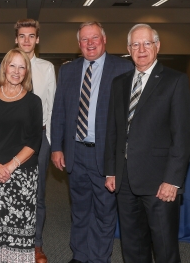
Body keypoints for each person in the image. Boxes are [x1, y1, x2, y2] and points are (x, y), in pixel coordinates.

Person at [104, 24, 190, 263]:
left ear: (157, 46)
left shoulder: (175, 81)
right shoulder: (119, 83)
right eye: (135, 44)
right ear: (128, 49)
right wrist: (111, 171)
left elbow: (182, 136)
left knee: (164, 249)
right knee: (133, 247)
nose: (141, 49)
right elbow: (113, 131)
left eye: (147, 43)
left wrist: (173, 181)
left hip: (160, 184)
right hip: (124, 183)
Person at [51, 21, 133, 263]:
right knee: (79, 209)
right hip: (75, 152)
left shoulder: (123, 68)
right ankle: (79, 255)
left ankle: (98, 258)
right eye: (85, 40)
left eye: (94, 38)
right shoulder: (68, 70)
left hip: (106, 154)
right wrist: (57, 146)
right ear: (79, 44)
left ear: (104, 39)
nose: (90, 43)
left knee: (104, 211)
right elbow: (59, 112)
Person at [0, 48, 42, 262]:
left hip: (22, 176)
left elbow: (35, 140)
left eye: (22, 67)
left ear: (27, 72)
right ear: (4, 67)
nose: (16, 71)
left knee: (18, 228)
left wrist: (10, 166)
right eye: (12, 65)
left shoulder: (34, 102)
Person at [14, 18, 56, 263]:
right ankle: (16, 239)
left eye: (31, 36)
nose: (26, 40)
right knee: (15, 191)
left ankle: (36, 244)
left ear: (37, 39)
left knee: (37, 194)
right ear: (16, 39)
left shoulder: (47, 68)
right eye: (22, 36)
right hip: (12, 138)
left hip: (39, 137)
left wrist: (50, 142)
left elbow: (52, 106)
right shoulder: (8, 65)